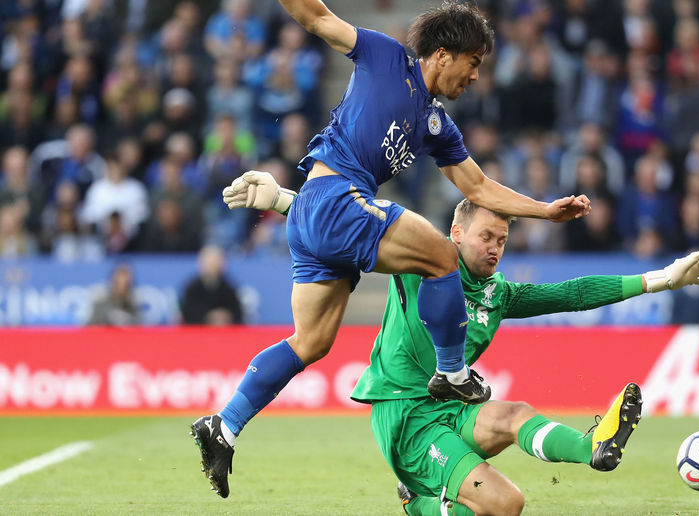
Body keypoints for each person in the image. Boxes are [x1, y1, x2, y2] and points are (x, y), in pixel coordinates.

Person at [191, 0, 591, 499]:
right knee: (444, 257)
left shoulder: (438, 124)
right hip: (337, 198)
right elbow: (317, 18)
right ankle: (451, 373)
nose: (475, 77)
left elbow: (480, 187)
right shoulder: (383, 57)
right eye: (473, 63)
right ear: (443, 55)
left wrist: (545, 210)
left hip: (314, 216)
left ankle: (224, 427)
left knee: (311, 342)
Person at [224, 173, 699, 514]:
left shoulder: (499, 293)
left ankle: (594, 448)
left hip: (450, 408)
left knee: (514, 413)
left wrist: (662, 278)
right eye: (486, 236)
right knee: (507, 504)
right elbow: (347, 229)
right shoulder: (421, 264)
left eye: (503, 241)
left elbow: (573, 294)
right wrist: (283, 200)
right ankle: (419, 501)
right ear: (457, 232)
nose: (495, 248)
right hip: (406, 418)